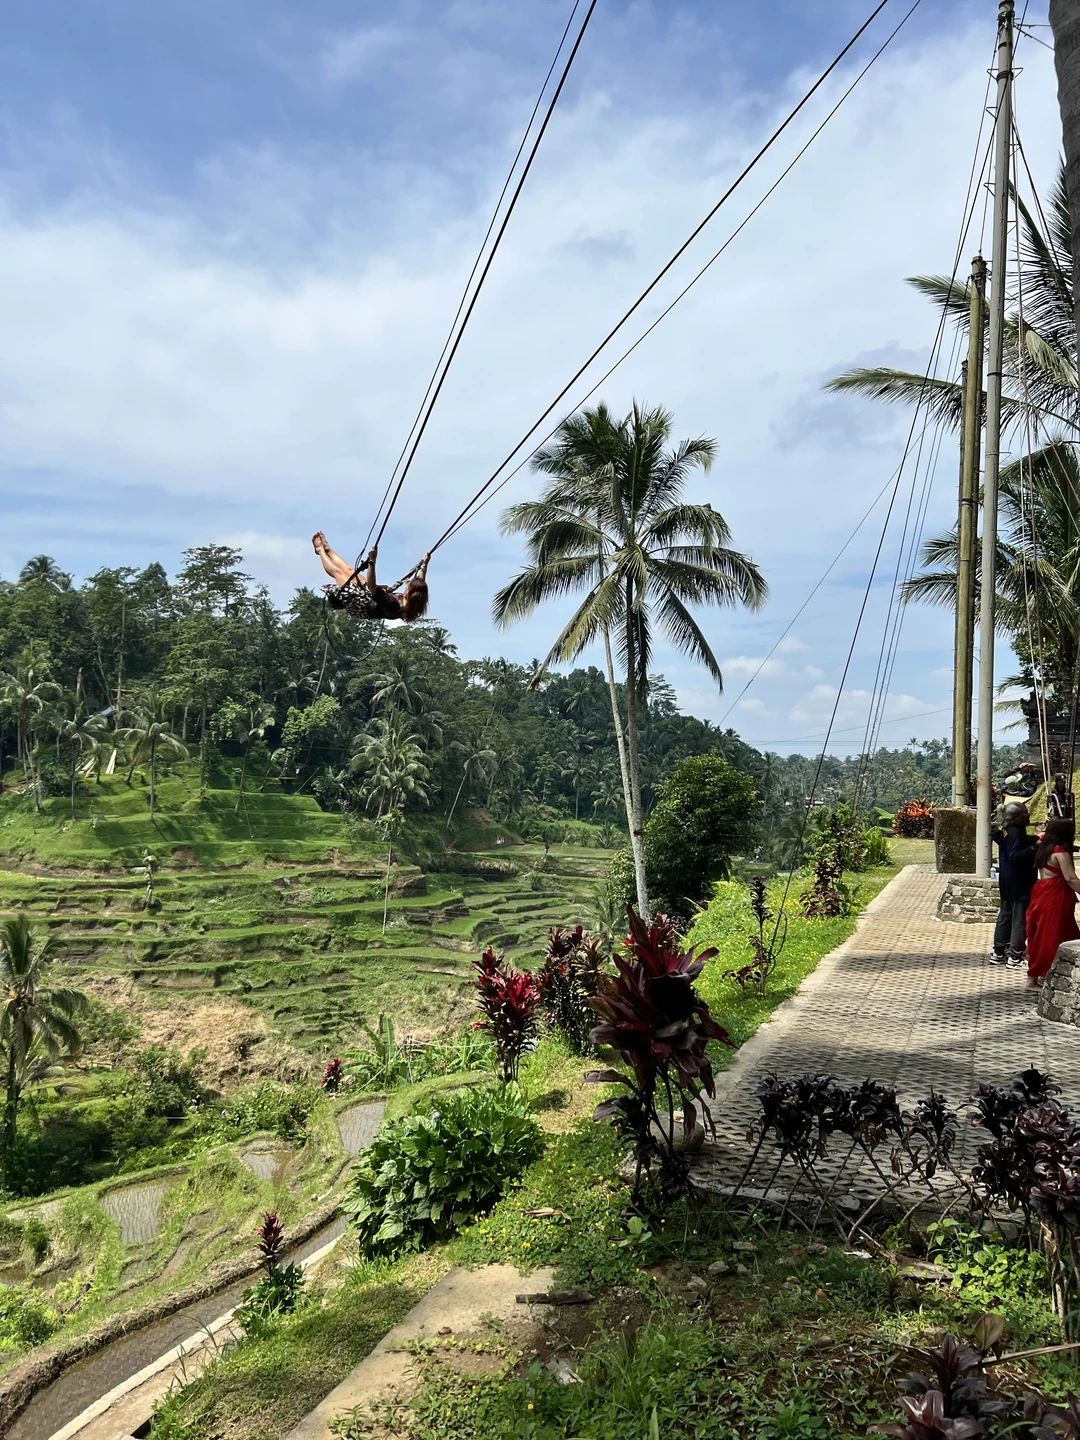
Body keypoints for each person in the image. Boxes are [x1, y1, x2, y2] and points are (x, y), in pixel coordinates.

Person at [312, 533, 429, 621]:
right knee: (350, 570)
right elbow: (420, 586)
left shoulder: (393, 605)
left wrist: (372, 561)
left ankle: (321, 551)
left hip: (362, 606)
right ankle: (329, 550)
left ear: (410, 592)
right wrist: (424, 564)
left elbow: (371, 588)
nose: (406, 587)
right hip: (369, 596)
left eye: (408, 586)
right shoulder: (415, 601)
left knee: (338, 573)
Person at [1023, 816, 1080, 991]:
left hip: (1041, 891)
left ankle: (1046, 973)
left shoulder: (1044, 848)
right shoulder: (1060, 853)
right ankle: (1033, 979)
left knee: (1046, 933)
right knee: (1051, 935)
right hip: (1055, 897)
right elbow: (1070, 878)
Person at [989, 802, 1036, 968]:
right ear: (1017, 816)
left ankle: (998, 951)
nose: (1028, 814)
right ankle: (1015, 956)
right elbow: (1015, 856)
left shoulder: (1005, 828)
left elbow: (999, 838)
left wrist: (1030, 839)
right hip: (1019, 881)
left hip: (1006, 880)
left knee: (1005, 915)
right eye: (1025, 812)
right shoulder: (1016, 832)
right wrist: (1034, 847)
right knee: (1019, 919)